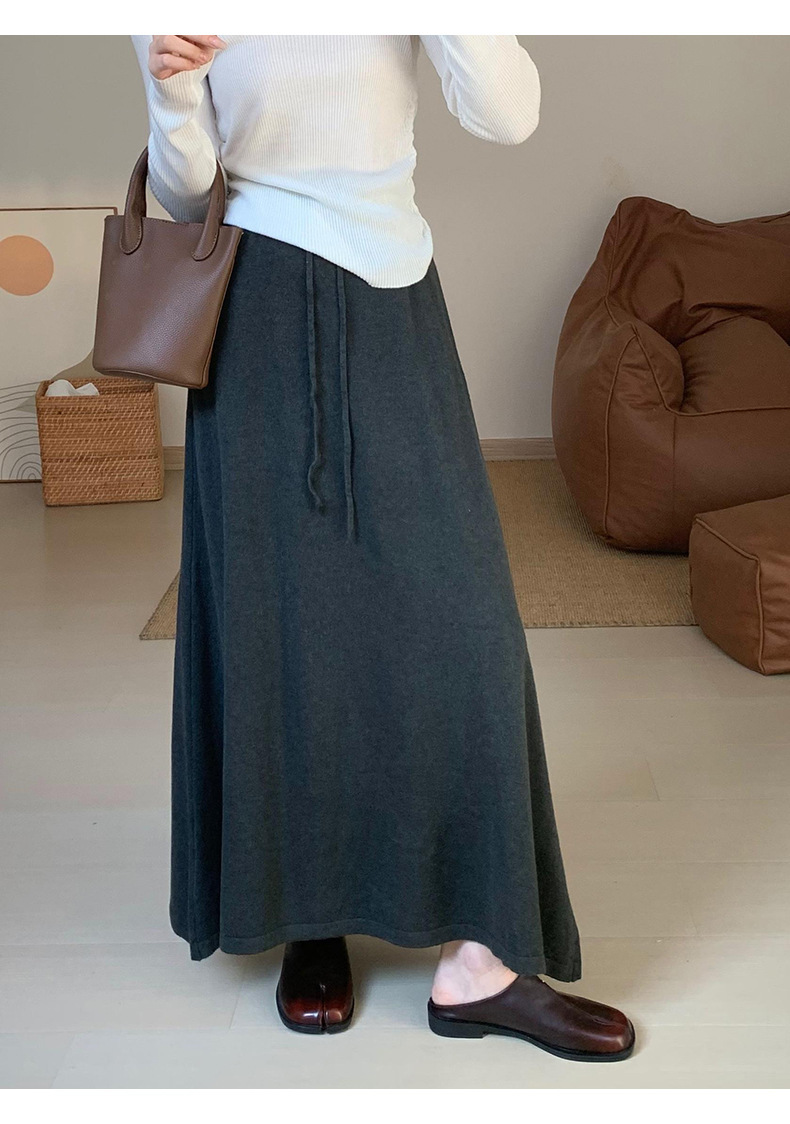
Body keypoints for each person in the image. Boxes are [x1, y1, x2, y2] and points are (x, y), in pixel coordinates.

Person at [132, 33, 635, 1062]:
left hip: (394, 292)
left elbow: (508, 113)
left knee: (465, 624)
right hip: (254, 314)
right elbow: (185, 195)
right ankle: (307, 914)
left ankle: (481, 963)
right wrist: (172, 88)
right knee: (288, 632)